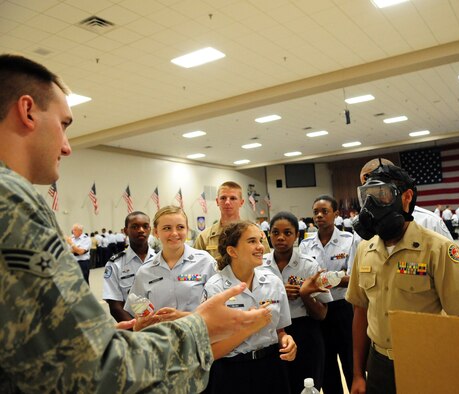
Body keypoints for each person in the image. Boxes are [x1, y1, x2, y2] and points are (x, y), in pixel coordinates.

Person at [0, 53, 270, 392]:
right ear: (27, 111)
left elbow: (31, 347)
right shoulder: (10, 199)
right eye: (64, 124)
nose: (67, 147)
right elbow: (88, 368)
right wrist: (200, 327)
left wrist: (107, 333)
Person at [347, 160, 459, 394]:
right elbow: (360, 311)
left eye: (382, 195)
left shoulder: (438, 249)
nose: (372, 204)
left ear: (406, 197)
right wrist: (358, 373)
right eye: (367, 196)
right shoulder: (364, 250)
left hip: (425, 364)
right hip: (377, 364)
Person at [203, 221, 297, 394]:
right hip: (232, 372)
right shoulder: (216, 288)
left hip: (272, 368)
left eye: (260, 240)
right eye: (252, 241)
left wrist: (287, 341)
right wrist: (248, 327)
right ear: (232, 251)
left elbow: (280, 330)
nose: (260, 247)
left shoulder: (273, 282)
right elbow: (212, 350)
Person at [262, 211, 332, 393]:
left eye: (287, 233)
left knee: (306, 386)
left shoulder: (309, 266)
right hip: (270, 333)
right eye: (275, 232)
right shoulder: (259, 266)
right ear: (269, 234)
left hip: (305, 332)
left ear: (297, 235)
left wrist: (305, 294)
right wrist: (279, 293)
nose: (281, 238)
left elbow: (322, 314)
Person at [299, 195, 355, 394]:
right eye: (316, 212)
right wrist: (335, 278)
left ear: (336, 215)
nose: (320, 216)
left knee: (350, 362)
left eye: (325, 212)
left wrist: (321, 282)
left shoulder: (349, 240)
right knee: (327, 364)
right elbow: (303, 279)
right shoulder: (305, 245)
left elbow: (354, 277)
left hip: (343, 308)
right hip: (318, 309)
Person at [125, 206, 217, 315]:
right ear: (156, 232)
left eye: (180, 227)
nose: (174, 233)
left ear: (187, 230)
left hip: (197, 330)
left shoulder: (205, 262)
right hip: (160, 331)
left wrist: (183, 317)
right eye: (167, 228)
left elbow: (219, 307)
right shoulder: (145, 271)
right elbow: (137, 313)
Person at [358, 158, 453, 240]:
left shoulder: (430, 222)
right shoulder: (365, 227)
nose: (371, 199)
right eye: (367, 192)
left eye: (380, 191)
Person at [194, 181, 270, 260]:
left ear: (241, 202)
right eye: (223, 198)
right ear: (217, 201)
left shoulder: (256, 234)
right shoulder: (204, 238)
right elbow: (196, 267)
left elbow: (265, 264)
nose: (227, 202)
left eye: (233, 198)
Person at [103, 211, 156, 322]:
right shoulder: (115, 264)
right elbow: (115, 306)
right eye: (135, 226)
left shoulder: (161, 258)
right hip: (134, 328)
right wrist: (137, 330)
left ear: (150, 230)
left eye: (145, 226)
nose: (141, 230)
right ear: (126, 231)